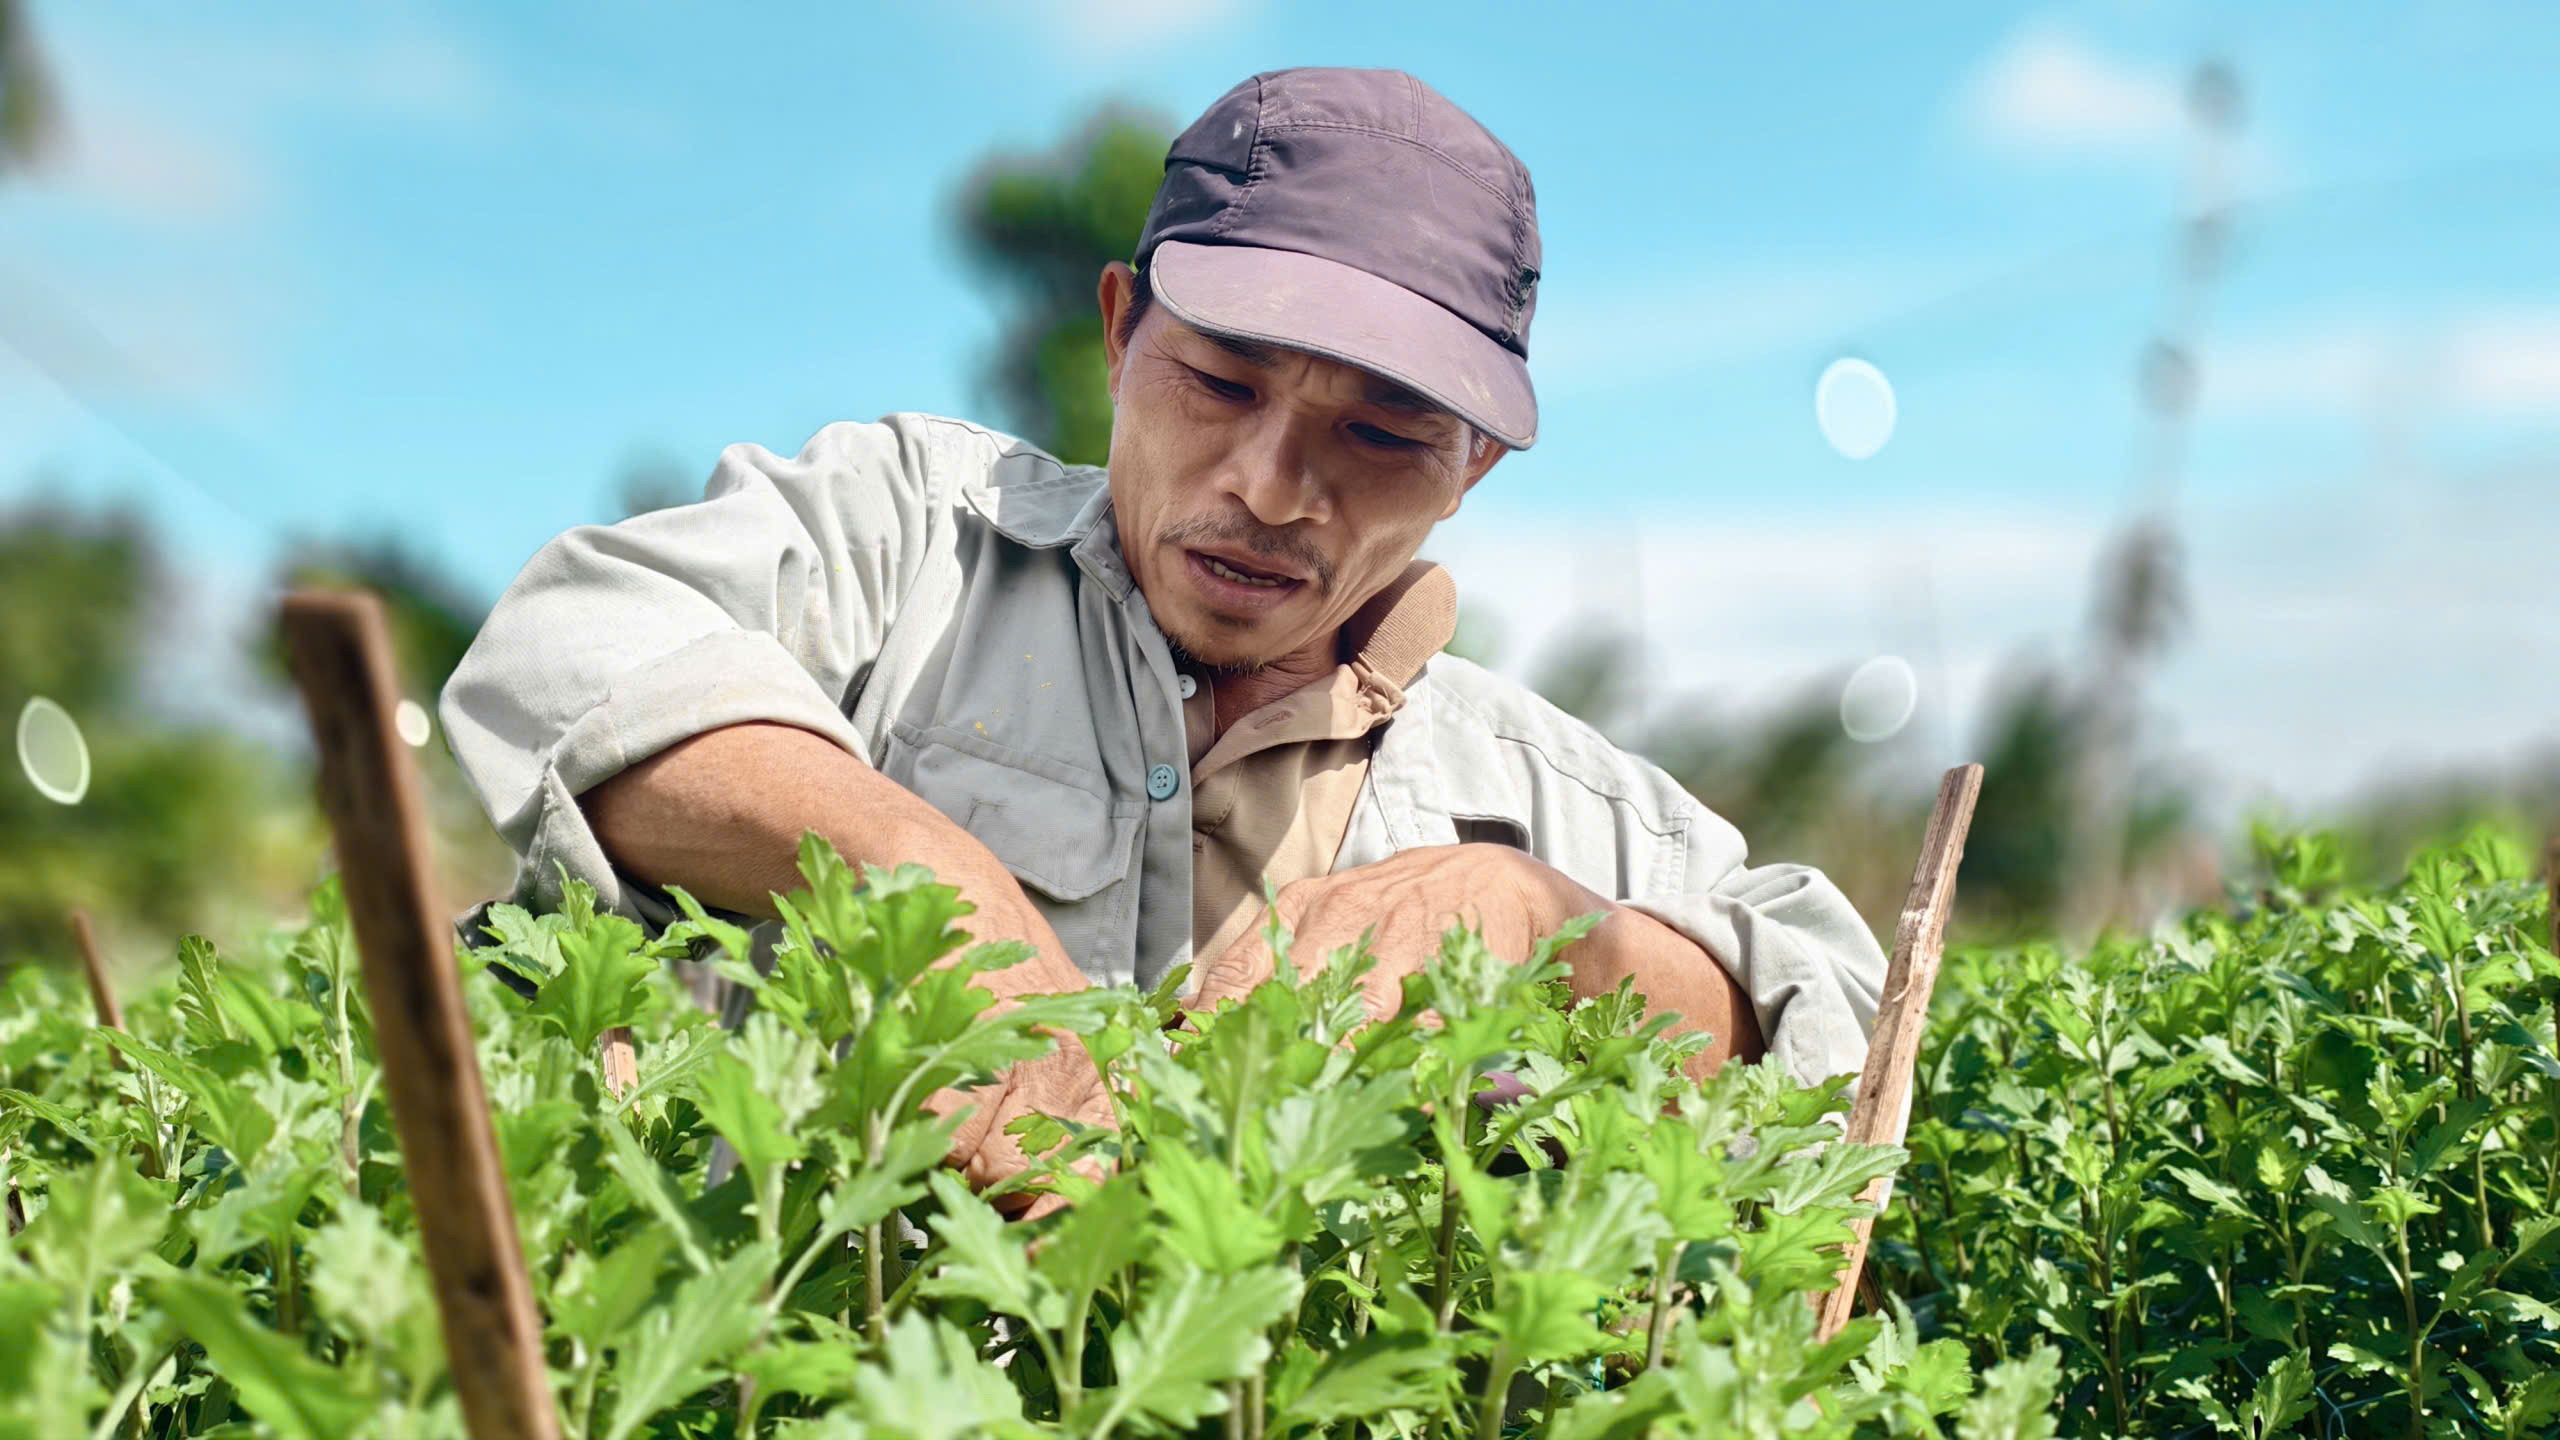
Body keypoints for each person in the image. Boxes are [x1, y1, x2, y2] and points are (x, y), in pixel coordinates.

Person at [439, 66, 1887, 1208]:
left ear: (1472, 469)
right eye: (1219, 382)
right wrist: (922, 875)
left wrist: (1543, 932)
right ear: (1124, 331)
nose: (1267, 486)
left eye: (1381, 434)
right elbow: (569, 643)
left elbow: (1834, 1031)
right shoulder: (909, 546)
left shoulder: (1555, 800)